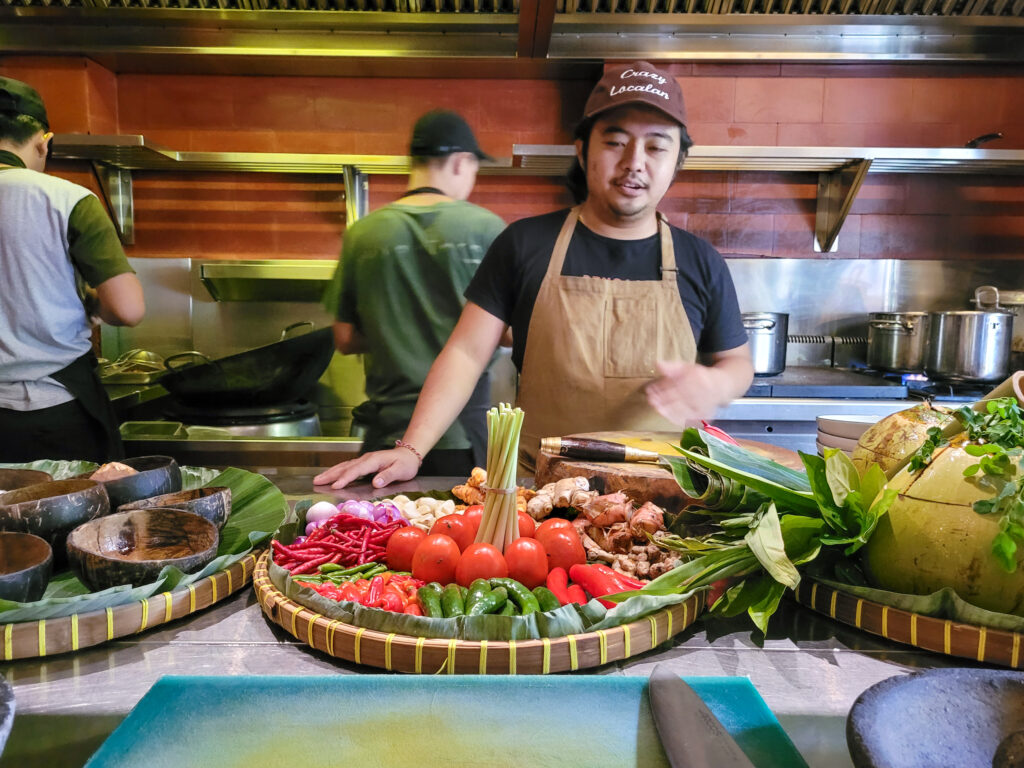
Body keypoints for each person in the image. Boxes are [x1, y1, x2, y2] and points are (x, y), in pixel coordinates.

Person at [316, 61, 754, 490]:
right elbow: (466, 353)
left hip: (662, 495)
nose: (634, 162)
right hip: (537, 494)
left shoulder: (701, 261)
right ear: (582, 151)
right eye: (616, 142)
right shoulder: (524, 244)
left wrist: (714, 382)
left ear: (678, 160)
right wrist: (411, 450)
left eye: (656, 146)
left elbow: (737, 363)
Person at [324, 109, 506, 476]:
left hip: (387, 435)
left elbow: (344, 338)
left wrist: (395, 330)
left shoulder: (364, 233)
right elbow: (513, 332)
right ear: (460, 162)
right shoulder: (487, 229)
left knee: (386, 531)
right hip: (464, 438)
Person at [0, 76, 145, 463]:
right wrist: (93, 303)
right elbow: (128, 310)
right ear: (43, 142)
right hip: (59, 409)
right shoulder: (66, 199)